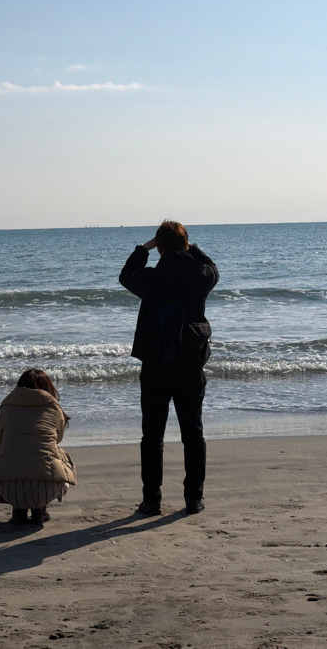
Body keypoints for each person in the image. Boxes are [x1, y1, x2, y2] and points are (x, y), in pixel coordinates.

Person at [119, 220, 219, 516]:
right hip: (190, 364)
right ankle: (194, 498)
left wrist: (143, 248)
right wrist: (193, 248)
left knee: (152, 436)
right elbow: (213, 268)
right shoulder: (199, 276)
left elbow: (126, 275)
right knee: (193, 433)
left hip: (156, 365)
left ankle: (152, 500)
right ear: (185, 244)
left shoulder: (152, 278)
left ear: (160, 247)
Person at [0, 368, 77, 525]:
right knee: (61, 456)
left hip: (9, 491)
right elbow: (58, 439)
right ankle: (40, 510)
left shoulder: (7, 407)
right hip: (47, 490)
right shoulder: (54, 408)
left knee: (1, 459)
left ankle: (19, 510)